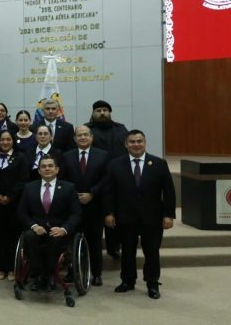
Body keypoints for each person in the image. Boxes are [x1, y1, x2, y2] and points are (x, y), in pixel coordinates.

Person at [104, 130, 176, 300]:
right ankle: (128, 281)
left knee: (152, 252)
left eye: (139, 141)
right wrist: (109, 213)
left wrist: (168, 215)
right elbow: (108, 191)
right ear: (126, 144)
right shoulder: (115, 164)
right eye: (132, 142)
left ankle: (152, 283)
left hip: (152, 218)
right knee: (127, 251)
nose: (136, 145)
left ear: (145, 143)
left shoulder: (159, 163)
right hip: (125, 217)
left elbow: (169, 191)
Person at [17, 155, 81, 292]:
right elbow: (22, 212)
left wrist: (64, 229)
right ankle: (38, 275)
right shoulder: (29, 187)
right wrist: (34, 226)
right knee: (29, 236)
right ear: (39, 171)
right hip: (37, 229)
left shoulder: (69, 188)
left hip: (59, 230)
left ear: (57, 169)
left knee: (55, 238)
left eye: (50, 166)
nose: (47, 169)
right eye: (43, 166)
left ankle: (51, 276)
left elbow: (76, 214)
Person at [60, 125, 108, 286]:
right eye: (79, 135)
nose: (82, 137)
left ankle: (96, 274)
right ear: (74, 139)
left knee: (94, 242)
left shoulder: (103, 155)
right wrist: (73, 196)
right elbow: (62, 179)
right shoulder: (66, 156)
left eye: (85, 135)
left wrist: (92, 194)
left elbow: (106, 179)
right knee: (71, 241)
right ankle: (72, 271)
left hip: (94, 206)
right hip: (72, 206)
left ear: (91, 137)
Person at [86, 99, 129, 259]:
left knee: (114, 214)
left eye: (105, 110)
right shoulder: (87, 129)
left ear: (110, 113)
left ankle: (114, 246)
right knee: (96, 217)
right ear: (93, 113)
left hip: (117, 179)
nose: (102, 113)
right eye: (98, 111)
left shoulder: (121, 128)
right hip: (94, 180)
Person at [0, 129, 28, 280]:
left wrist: (10, 196)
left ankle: (12, 268)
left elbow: (23, 180)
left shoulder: (21, 157)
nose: (5, 142)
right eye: (2, 140)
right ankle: (0, 267)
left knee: (13, 236)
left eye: (8, 139)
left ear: (13, 141)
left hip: (15, 203)